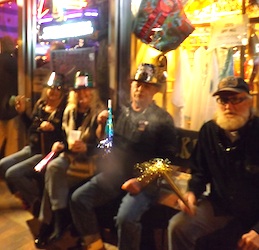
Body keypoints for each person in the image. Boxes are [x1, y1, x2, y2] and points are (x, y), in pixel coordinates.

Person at [69, 63, 177, 250]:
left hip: (145, 183)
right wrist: (102, 126)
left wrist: (141, 182)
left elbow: (166, 162)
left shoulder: (163, 119)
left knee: (125, 219)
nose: (139, 89)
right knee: (79, 198)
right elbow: (107, 144)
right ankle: (95, 246)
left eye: (146, 86)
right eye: (137, 84)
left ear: (154, 91)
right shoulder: (122, 112)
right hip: (115, 176)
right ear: (131, 86)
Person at [168, 76, 259, 250]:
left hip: (255, 213)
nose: (228, 107)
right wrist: (192, 192)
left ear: (249, 102)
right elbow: (200, 171)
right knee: (178, 226)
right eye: (223, 100)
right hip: (220, 205)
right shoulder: (209, 130)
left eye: (235, 100)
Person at [34, 71, 107, 248]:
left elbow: (107, 146)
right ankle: (59, 220)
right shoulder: (69, 111)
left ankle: (51, 224)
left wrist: (89, 146)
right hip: (70, 157)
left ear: (93, 92)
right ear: (74, 93)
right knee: (52, 169)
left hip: (91, 161)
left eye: (87, 90)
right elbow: (64, 138)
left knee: (52, 179)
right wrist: (61, 145)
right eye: (79, 91)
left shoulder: (102, 113)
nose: (83, 95)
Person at [0, 72, 67, 215]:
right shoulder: (41, 105)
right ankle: (26, 197)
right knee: (3, 165)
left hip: (48, 153)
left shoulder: (64, 111)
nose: (53, 91)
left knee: (13, 174)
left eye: (57, 89)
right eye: (51, 88)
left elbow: (65, 135)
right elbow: (31, 127)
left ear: (62, 92)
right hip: (33, 148)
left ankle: (38, 202)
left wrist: (53, 130)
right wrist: (22, 113)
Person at [0, 35, 20, 157]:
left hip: (1, 106)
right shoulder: (12, 62)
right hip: (10, 105)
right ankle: (8, 169)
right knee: (12, 141)